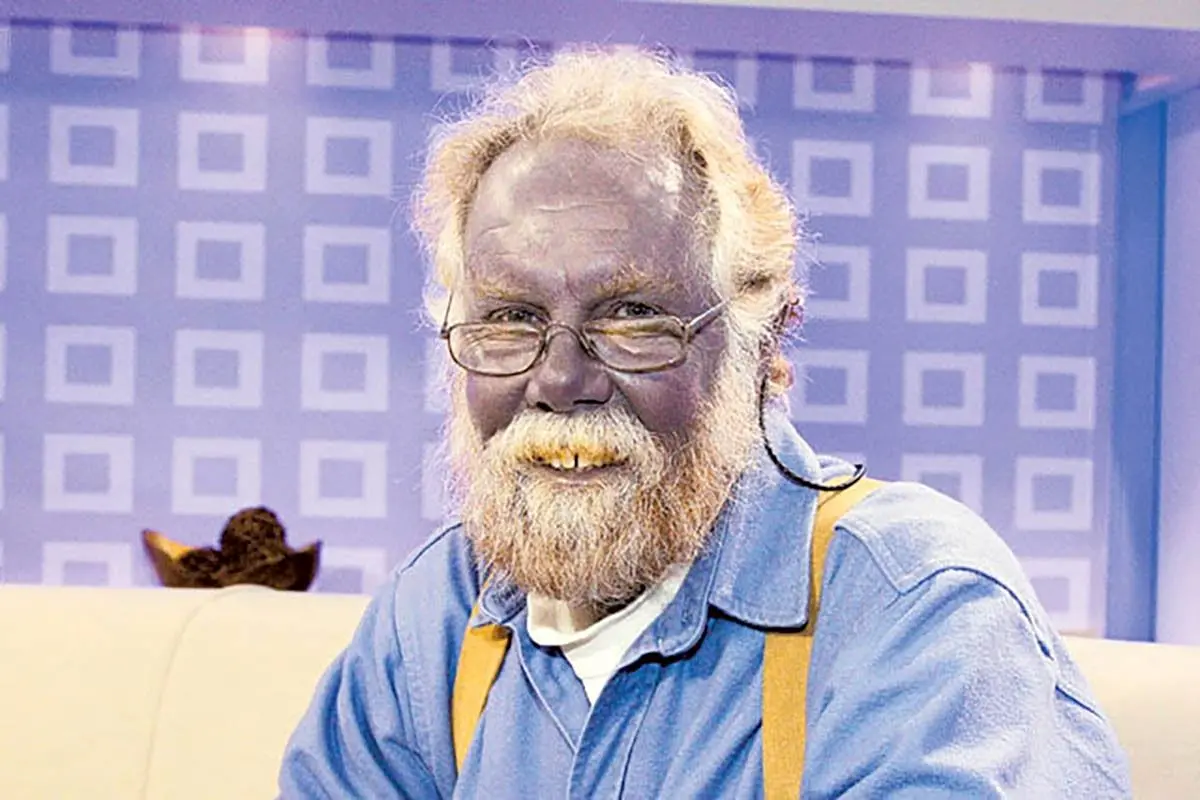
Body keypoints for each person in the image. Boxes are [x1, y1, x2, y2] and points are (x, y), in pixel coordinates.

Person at [278, 48, 1131, 798]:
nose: (561, 380)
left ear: (763, 342)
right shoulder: (434, 614)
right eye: (510, 319)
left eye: (634, 316)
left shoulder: (912, 603)